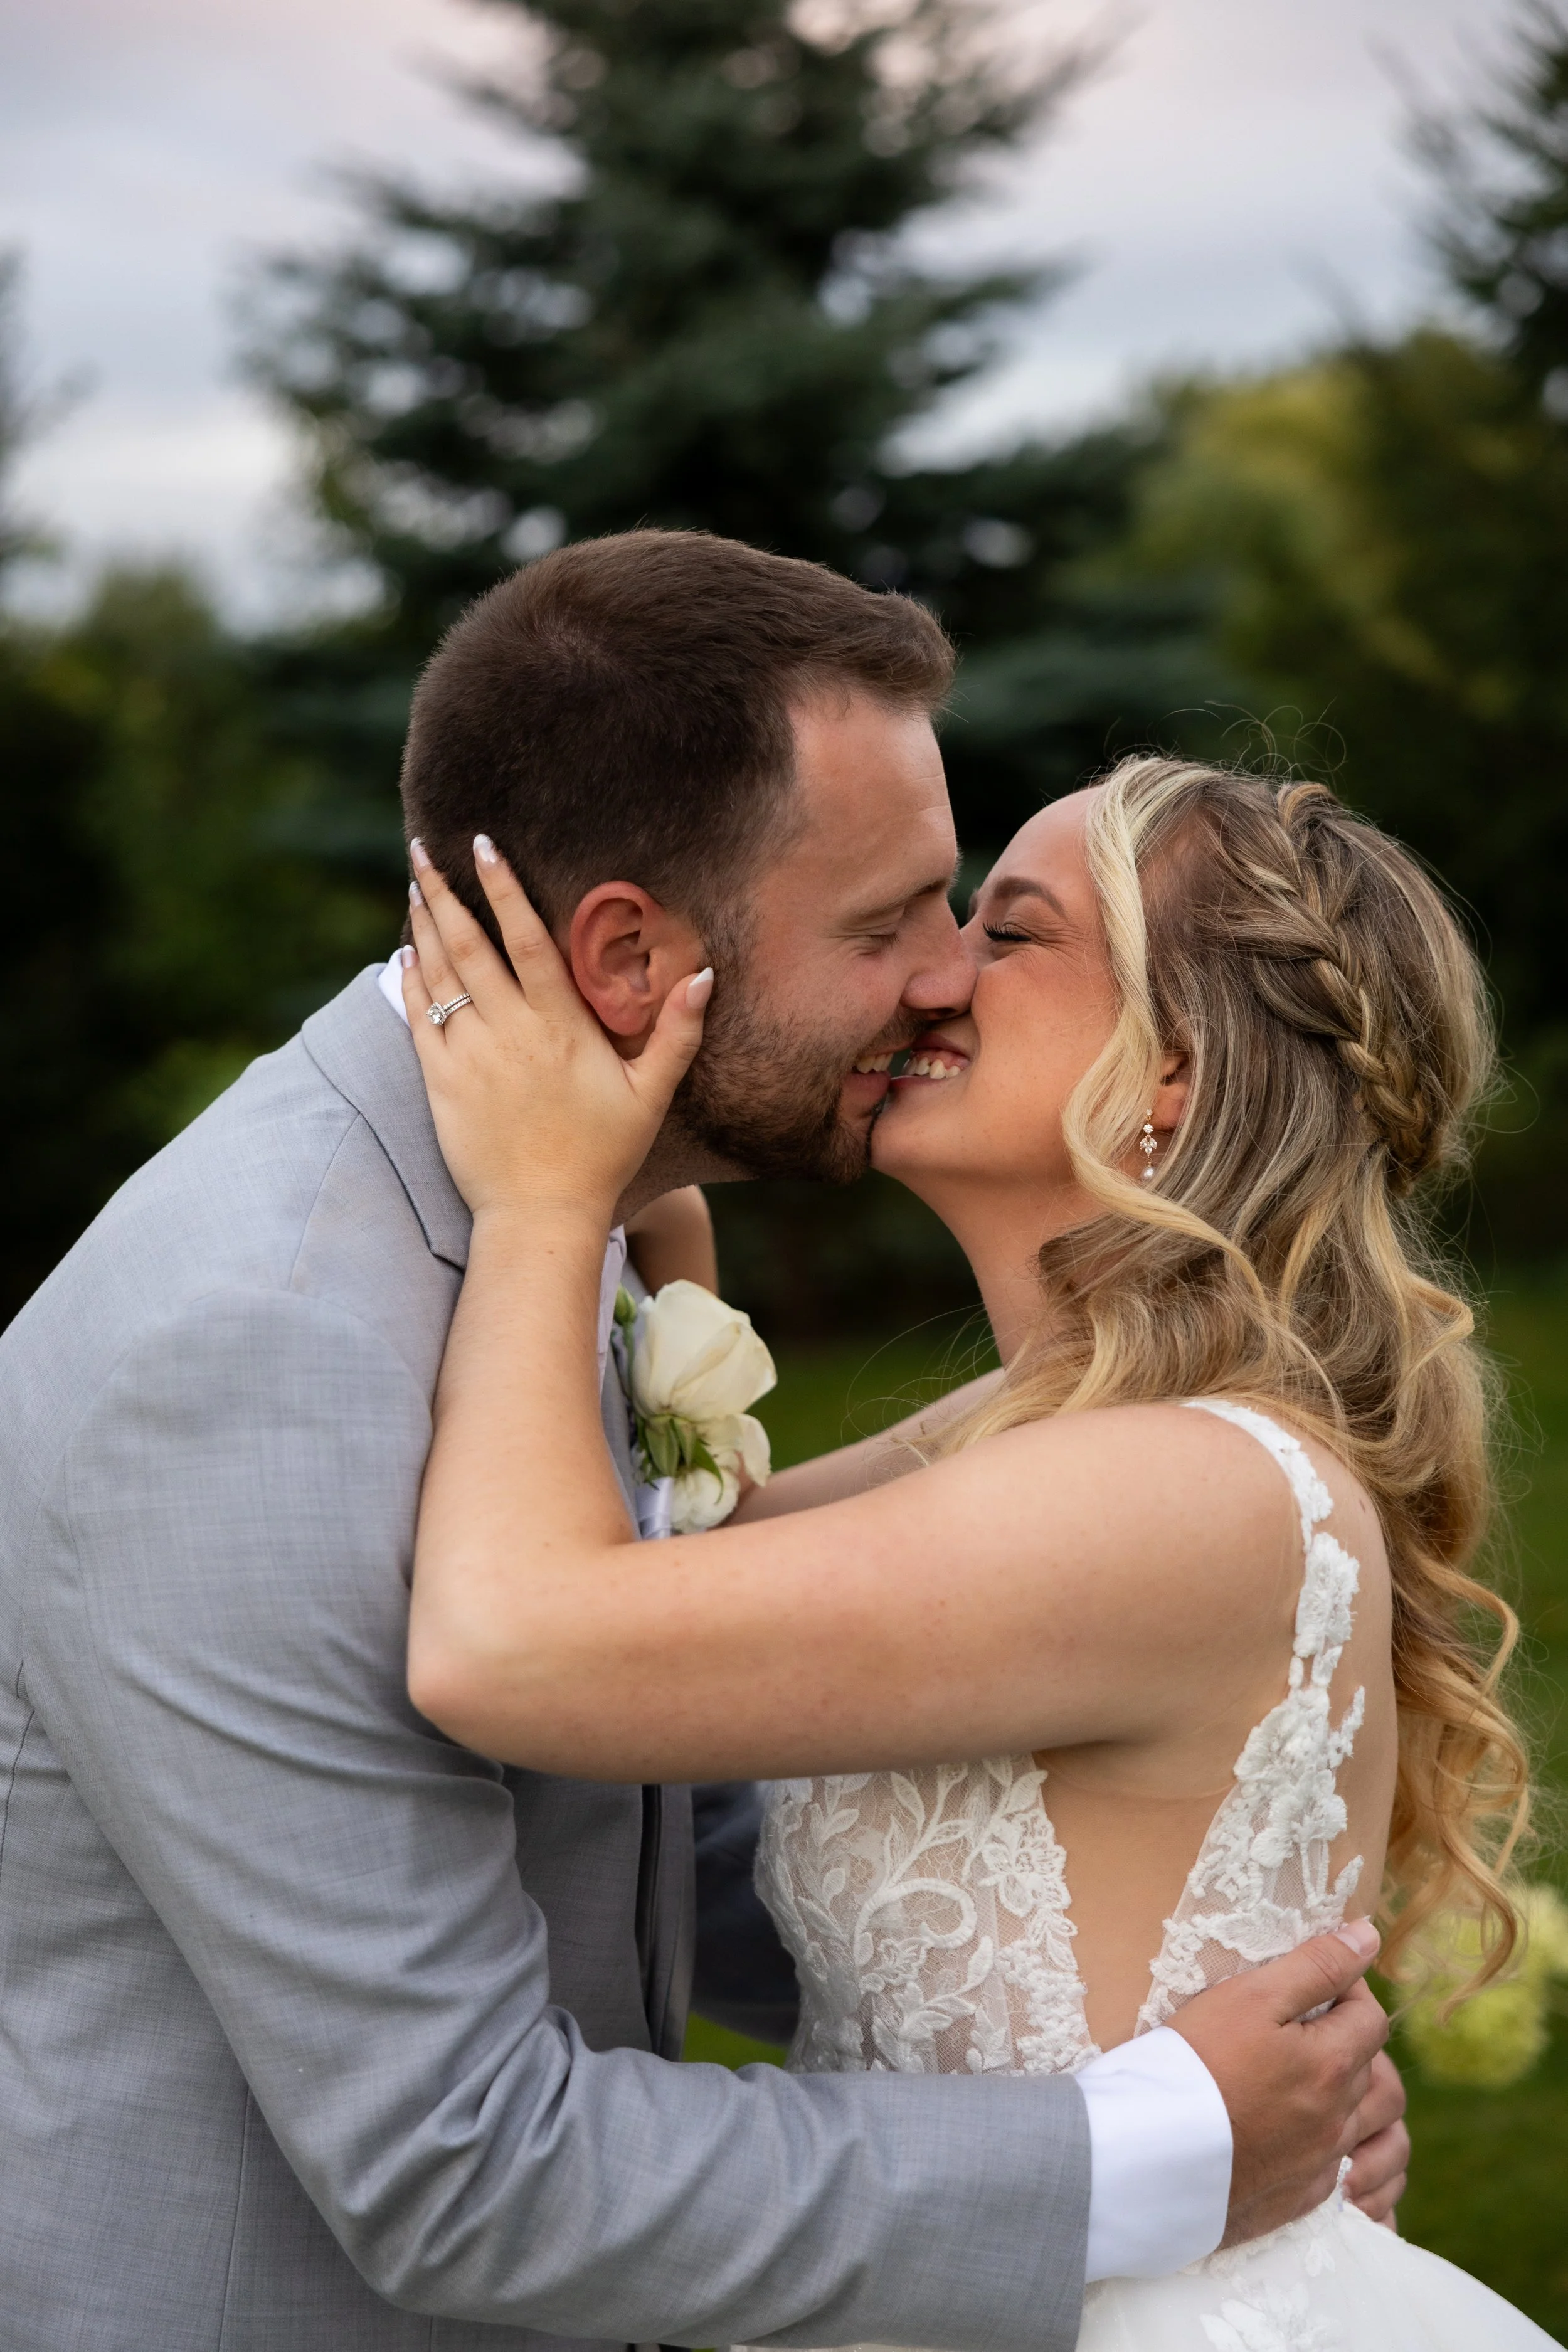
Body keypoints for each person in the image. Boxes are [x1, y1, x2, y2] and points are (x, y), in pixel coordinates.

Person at [0, 532, 1400, 2352]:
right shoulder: (256, 1345)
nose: (939, 975)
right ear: (629, 951)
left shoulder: (543, 1223)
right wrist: (1157, 2136)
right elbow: (463, 2163)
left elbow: (632, 1822)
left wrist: (1146, 2035)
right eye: (887, 918)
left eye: (973, 912)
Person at [398, 738, 1550, 2348]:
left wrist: (537, 1205)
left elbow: (509, 1641)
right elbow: (684, 1577)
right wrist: (655, 1220)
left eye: (1009, 934)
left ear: (1173, 1072)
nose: (933, 973)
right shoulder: (1042, 1431)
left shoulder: (1180, 1488)